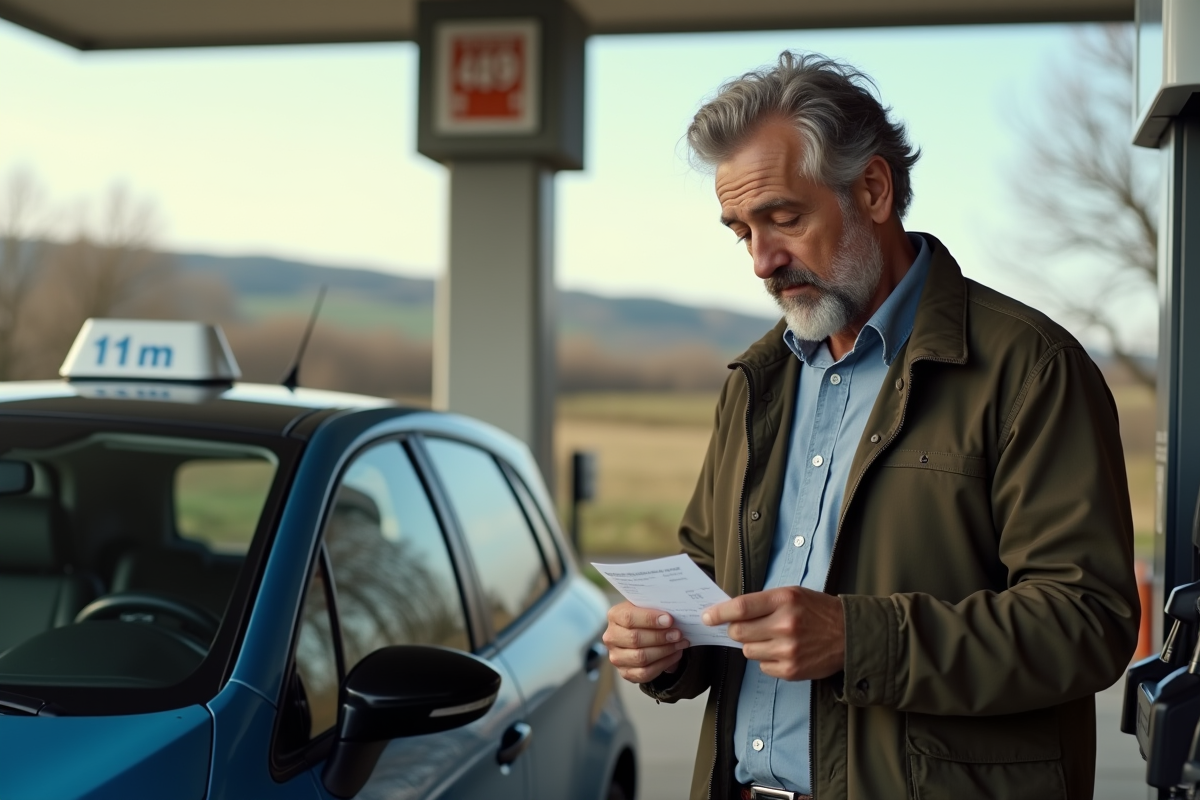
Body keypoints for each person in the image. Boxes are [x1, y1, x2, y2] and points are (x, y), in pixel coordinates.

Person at [602, 51, 1140, 800]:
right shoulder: (756, 385)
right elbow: (711, 586)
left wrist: (857, 638)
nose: (762, 260)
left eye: (783, 217)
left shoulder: (1030, 367)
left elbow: (1088, 623)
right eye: (740, 231)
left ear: (874, 189)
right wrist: (664, 647)